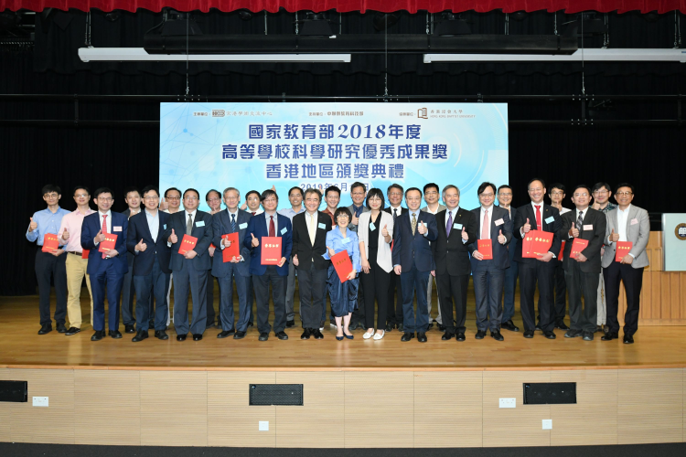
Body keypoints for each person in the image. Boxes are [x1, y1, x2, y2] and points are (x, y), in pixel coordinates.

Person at [513, 178, 562, 339]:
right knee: (526, 293)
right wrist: (522, 229)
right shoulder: (521, 211)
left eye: (538, 189)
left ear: (544, 191)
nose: (535, 192)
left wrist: (552, 253)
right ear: (528, 193)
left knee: (547, 293)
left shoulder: (553, 211)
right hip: (527, 259)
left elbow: (558, 235)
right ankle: (529, 327)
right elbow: (515, 232)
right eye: (532, 190)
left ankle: (547, 327)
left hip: (546, 258)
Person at [601, 183, 649, 344]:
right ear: (615, 197)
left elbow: (644, 236)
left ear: (632, 196)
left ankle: (629, 332)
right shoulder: (608, 215)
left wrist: (631, 254)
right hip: (612, 260)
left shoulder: (641, 213)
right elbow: (603, 237)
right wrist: (609, 239)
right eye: (620, 193)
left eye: (627, 193)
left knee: (633, 298)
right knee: (610, 297)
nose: (623, 196)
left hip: (632, 261)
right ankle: (612, 329)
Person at [244, 189, 293, 342]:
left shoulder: (285, 221)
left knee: (280, 300)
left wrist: (285, 257)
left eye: (273, 199)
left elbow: (289, 242)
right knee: (261, 300)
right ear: (262, 203)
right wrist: (252, 243)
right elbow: (246, 239)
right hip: (260, 266)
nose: (270, 202)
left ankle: (279, 328)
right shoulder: (254, 220)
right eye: (267, 200)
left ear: (277, 202)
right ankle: (263, 329)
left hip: (279, 265)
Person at [81, 187, 129, 341]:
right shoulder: (88, 220)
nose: (105, 201)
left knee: (114, 298)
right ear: (95, 201)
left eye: (108, 199)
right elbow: (84, 242)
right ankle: (99, 329)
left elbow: (127, 241)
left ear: (113, 201)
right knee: (97, 298)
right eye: (102, 198)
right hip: (97, 264)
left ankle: (114, 329)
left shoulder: (121, 218)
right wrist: (95, 240)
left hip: (115, 263)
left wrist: (117, 251)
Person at [559, 185, 606, 341]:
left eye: (584, 194)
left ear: (590, 198)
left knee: (590, 297)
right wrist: (569, 233)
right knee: (573, 296)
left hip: (589, 262)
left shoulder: (598, 216)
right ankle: (575, 327)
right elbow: (560, 233)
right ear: (572, 199)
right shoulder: (566, 216)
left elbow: (599, 238)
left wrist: (585, 254)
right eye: (577, 195)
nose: (581, 197)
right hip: (571, 262)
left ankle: (589, 328)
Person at [126, 186, 172, 342]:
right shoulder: (135, 219)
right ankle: (142, 330)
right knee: (141, 299)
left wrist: (171, 241)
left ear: (158, 199)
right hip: (142, 264)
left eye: (154, 197)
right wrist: (136, 247)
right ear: (143, 200)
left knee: (161, 299)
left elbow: (170, 239)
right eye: (148, 197)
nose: (152, 200)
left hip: (163, 264)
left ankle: (160, 328)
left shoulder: (167, 218)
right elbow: (129, 242)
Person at [392, 187, 438, 343]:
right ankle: (409, 329)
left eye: (416, 198)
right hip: (405, 264)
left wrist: (426, 231)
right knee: (406, 298)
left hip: (423, 264)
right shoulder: (400, 219)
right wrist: (396, 262)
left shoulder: (429, 217)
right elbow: (397, 243)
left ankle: (422, 329)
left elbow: (435, 236)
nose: (413, 201)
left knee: (423, 299)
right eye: (410, 198)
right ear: (406, 200)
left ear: (421, 199)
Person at [468, 182, 512, 341]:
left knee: (496, 297)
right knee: (480, 297)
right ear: (479, 196)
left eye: (489, 194)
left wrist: (504, 238)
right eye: (483, 195)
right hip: (479, 260)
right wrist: (473, 250)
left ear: (494, 196)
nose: (486, 197)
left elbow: (508, 232)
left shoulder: (503, 213)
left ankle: (495, 328)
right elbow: (468, 237)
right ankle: (481, 327)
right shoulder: (472, 214)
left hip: (496, 261)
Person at [168, 188, 213, 341]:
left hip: (198, 261)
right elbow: (166, 234)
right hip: (179, 262)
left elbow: (209, 236)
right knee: (180, 297)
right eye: (188, 197)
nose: (191, 200)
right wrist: (169, 238)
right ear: (183, 200)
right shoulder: (174, 217)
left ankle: (198, 329)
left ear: (198, 201)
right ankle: (181, 328)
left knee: (199, 297)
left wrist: (196, 251)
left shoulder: (206, 217)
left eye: (194, 197)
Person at [433, 185, 477, 342]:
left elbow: (473, 235)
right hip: (441, 265)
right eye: (449, 196)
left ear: (459, 197)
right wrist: (432, 264)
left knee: (460, 299)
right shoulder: (437, 217)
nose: (452, 198)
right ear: (443, 198)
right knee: (444, 299)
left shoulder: (468, 215)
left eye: (455, 195)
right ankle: (448, 328)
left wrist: (467, 237)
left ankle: (460, 329)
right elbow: (434, 242)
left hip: (459, 265)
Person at [26, 184, 70, 335]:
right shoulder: (37, 215)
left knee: (61, 289)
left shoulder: (68, 215)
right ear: (44, 198)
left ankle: (60, 321)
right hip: (43, 254)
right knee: (43, 290)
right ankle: (45, 323)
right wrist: (31, 229)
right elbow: (30, 238)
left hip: (61, 253)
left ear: (59, 196)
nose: (51, 198)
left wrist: (64, 248)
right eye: (47, 195)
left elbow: (74, 237)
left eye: (53, 194)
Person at [211, 187, 252, 339]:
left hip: (242, 261)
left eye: (234, 197)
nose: (231, 200)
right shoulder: (217, 217)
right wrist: (222, 242)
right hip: (223, 260)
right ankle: (227, 327)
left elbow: (250, 240)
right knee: (225, 296)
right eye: (228, 198)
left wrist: (242, 255)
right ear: (224, 200)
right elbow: (214, 237)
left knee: (244, 296)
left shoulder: (248, 217)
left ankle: (242, 327)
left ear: (239, 198)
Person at [292, 188, 332, 340]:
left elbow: (329, 240)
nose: (312, 202)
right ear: (304, 201)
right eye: (309, 199)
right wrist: (294, 254)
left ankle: (316, 327)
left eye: (315, 199)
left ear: (320, 202)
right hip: (303, 262)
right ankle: (307, 327)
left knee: (319, 296)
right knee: (304, 296)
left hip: (321, 262)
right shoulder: (297, 219)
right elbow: (294, 240)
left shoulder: (326, 218)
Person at [57, 186, 95, 336]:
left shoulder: (97, 215)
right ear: (74, 198)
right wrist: (63, 238)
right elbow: (60, 239)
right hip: (73, 257)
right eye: (78, 195)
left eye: (84, 194)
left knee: (95, 292)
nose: (81, 197)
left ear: (89, 197)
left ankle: (96, 323)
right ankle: (74, 324)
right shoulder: (68, 217)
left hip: (92, 257)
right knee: (73, 293)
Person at [358, 188, 394, 340]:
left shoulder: (388, 216)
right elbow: (360, 239)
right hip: (367, 259)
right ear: (368, 201)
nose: (374, 202)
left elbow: (389, 240)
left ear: (382, 201)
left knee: (382, 295)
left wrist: (386, 235)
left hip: (383, 261)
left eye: (377, 199)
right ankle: (369, 327)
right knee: (368, 294)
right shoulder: (363, 216)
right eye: (372, 199)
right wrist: (363, 259)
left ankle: (380, 328)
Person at [323, 207, 360, 341]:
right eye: (340, 216)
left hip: (350, 268)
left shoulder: (353, 234)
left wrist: (354, 270)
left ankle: (346, 328)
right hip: (336, 268)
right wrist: (329, 253)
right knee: (337, 298)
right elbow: (327, 254)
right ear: (336, 219)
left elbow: (356, 253)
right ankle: (339, 329)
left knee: (350, 298)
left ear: (349, 219)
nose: (343, 219)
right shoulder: (330, 234)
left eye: (345, 216)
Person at [591, 182, 617, 333]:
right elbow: (584, 234)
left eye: (603, 191)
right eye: (596, 192)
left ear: (609, 193)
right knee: (594, 288)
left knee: (608, 289)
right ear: (592, 195)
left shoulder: (616, 209)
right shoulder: (588, 210)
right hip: (592, 255)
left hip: (610, 254)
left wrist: (605, 247)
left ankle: (608, 321)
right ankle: (596, 321)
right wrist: (593, 212)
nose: (600, 194)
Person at [546, 184, 572, 331]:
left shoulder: (570, 213)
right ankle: (545, 317)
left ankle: (559, 318)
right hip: (548, 252)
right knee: (546, 287)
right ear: (549, 195)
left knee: (561, 288)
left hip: (564, 253)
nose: (556, 195)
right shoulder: (545, 211)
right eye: (554, 193)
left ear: (564, 196)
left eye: (559, 193)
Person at [278, 186, 305, 328]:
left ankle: (304, 315)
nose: (295, 198)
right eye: (292, 195)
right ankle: (288, 315)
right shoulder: (282, 212)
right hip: (287, 254)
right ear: (289, 198)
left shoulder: (308, 212)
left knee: (304, 286)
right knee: (288, 287)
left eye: (298, 195)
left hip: (304, 254)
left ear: (302, 197)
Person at [421, 182, 446, 331]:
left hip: (442, 256)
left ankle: (443, 319)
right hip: (424, 257)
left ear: (439, 195)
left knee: (442, 289)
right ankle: (427, 318)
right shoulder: (419, 213)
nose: (431, 195)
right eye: (428, 193)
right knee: (425, 290)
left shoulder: (446, 211)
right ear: (424, 196)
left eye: (433, 192)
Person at [497, 185, 519, 332]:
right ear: (497, 196)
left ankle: (507, 318)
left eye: (508, 194)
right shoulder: (492, 212)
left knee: (510, 288)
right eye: (502, 194)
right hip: (495, 256)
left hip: (513, 257)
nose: (505, 196)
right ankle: (495, 316)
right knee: (494, 288)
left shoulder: (519, 213)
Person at [347, 182, 370, 330]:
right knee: (351, 290)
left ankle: (365, 319)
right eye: (354, 193)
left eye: (360, 193)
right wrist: (351, 223)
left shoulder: (371, 211)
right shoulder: (345, 211)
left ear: (365, 194)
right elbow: (339, 233)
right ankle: (353, 319)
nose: (357, 195)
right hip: (348, 258)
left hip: (366, 257)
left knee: (365, 289)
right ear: (351, 194)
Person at [384, 184, 406, 331]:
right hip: (385, 258)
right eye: (392, 193)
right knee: (387, 291)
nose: (395, 196)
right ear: (388, 196)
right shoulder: (381, 213)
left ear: (402, 196)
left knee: (403, 291)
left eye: (398, 193)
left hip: (403, 259)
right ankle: (390, 319)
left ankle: (401, 319)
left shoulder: (409, 213)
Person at [121, 187, 142, 334]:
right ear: (126, 200)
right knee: (127, 292)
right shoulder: (120, 217)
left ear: (141, 199)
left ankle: (146, 319)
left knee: (146, 292)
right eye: (130, 197)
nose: (134, 200)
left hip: (146, 259)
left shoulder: (150, 214)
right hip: (127, 259)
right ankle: (128, 321)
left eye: (136, 197)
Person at [161, 187, 182, 327]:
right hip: (164, 259)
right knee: (164, 292)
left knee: (180, 292)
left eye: (176, 197)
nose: (174, 200)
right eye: (170, 197)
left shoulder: (185, 215)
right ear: (166, 199)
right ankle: (165, 320)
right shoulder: (160, 215)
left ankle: (179, 320)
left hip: (181, 259)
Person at [242, 189, 263, 327]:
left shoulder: (265, 215)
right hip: (244, 257)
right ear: (246, 201)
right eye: (250, 198)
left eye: (256, 198)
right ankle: (248, 318)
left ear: (260, 201)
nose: (253, 201)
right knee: (246, 290)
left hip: (260, 258)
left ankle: (262, 318)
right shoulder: (242, 216)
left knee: (261, 291)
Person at [205, 189, 223, 329]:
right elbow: (201, 235)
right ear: (207, 202)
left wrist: (215, 246)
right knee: (207, 289)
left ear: (221, 200)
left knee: (224, 289)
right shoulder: (204, 217)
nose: (213, 202)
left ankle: (223, 319)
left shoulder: (226, 215)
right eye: (210, 200)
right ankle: (208, 319)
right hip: (206, 257)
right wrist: (208, 247)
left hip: (222, 255)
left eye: (216, 198)